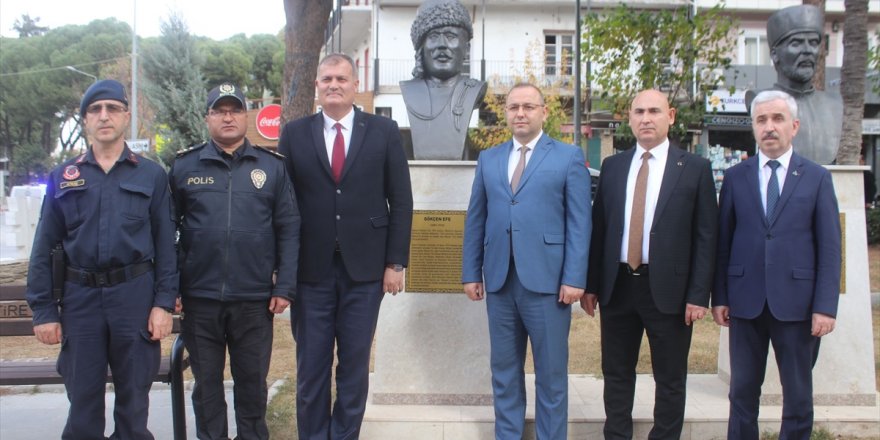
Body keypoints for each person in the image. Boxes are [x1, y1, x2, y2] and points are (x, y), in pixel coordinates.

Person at [26, 79, 178, 439]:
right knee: (82, 403)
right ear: (84, 121)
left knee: (134, 403)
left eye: (112, 108)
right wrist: (44, 310)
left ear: (127, 116)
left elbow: (167, 245)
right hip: (81, 302)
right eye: (95, 110)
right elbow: (43, 246)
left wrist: (163, 304)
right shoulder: (63, 177)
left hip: (134, 298)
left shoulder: (152, 175)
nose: (104, 116)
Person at [277, 53, 413, 440]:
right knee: (311, 368)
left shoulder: (384, 131)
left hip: (366, 272)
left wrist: (395, 263)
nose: (333, 84)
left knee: (353, 367)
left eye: (341, 78)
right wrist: (283, 269)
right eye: (326, 79)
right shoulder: (295, 133)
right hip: (310, 272)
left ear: (356, 85)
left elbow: (400, 201)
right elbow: (283, 205)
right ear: (317, 86)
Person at [582, 89, 718, 439]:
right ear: (629, 118)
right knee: (616, 373)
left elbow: (706, 237)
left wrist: (698, 295)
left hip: (670, 292)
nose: (646, 118)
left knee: (671, 378)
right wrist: (592, 285)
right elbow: (600, 230)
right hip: (618, 286)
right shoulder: (613, 167)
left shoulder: (695, 169)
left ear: (670, 116)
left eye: (654, 111)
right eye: (639, 111)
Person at [169, 82, 300, 439]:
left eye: (235, 110)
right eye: (219, 111)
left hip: (254, 300)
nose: (227, 117)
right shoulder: (183, 167)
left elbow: (289, 228)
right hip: (200, 299)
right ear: (208, 118)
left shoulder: (271, 168)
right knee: (206, 389)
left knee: (252, 387)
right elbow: (168, 232)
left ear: (246, 116)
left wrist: (285, 285)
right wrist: (172, 289)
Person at [461, 83, 591, 439]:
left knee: (551, 375)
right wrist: (471, 272)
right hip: (501, 282)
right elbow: (477, 218)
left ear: (543, 112)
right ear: (505, 113)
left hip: (549, 285)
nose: (520, 113)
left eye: (528, 107)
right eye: (514, 107)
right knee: (504, 372)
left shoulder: (568, 157)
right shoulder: (489, 158)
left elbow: (580, 223)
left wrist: (575, 277)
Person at [712, 90, 841, 440]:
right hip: (745, 304)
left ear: (794, 126)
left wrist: (825, 307)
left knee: (798, 397)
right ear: (753, 128)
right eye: (761, 120)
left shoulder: (816, 178)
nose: (769, 127)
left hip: (798, 307)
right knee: (741, 394)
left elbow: (830, 249)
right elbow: (724, 242)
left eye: (777, 119)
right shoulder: (736, 178)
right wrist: (720, 296)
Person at [746, 4, 842, 165]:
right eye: (796, 43)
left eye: (813, 43)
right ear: (775, 55)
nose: (807, 51)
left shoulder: (835, 103)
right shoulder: (757, 98)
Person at [400, 0, 487, 160]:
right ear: (421, 47)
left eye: (450, 36)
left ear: (467, 49)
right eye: (433, 37)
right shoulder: (409, 90)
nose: (442, 45)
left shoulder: (473, 90)